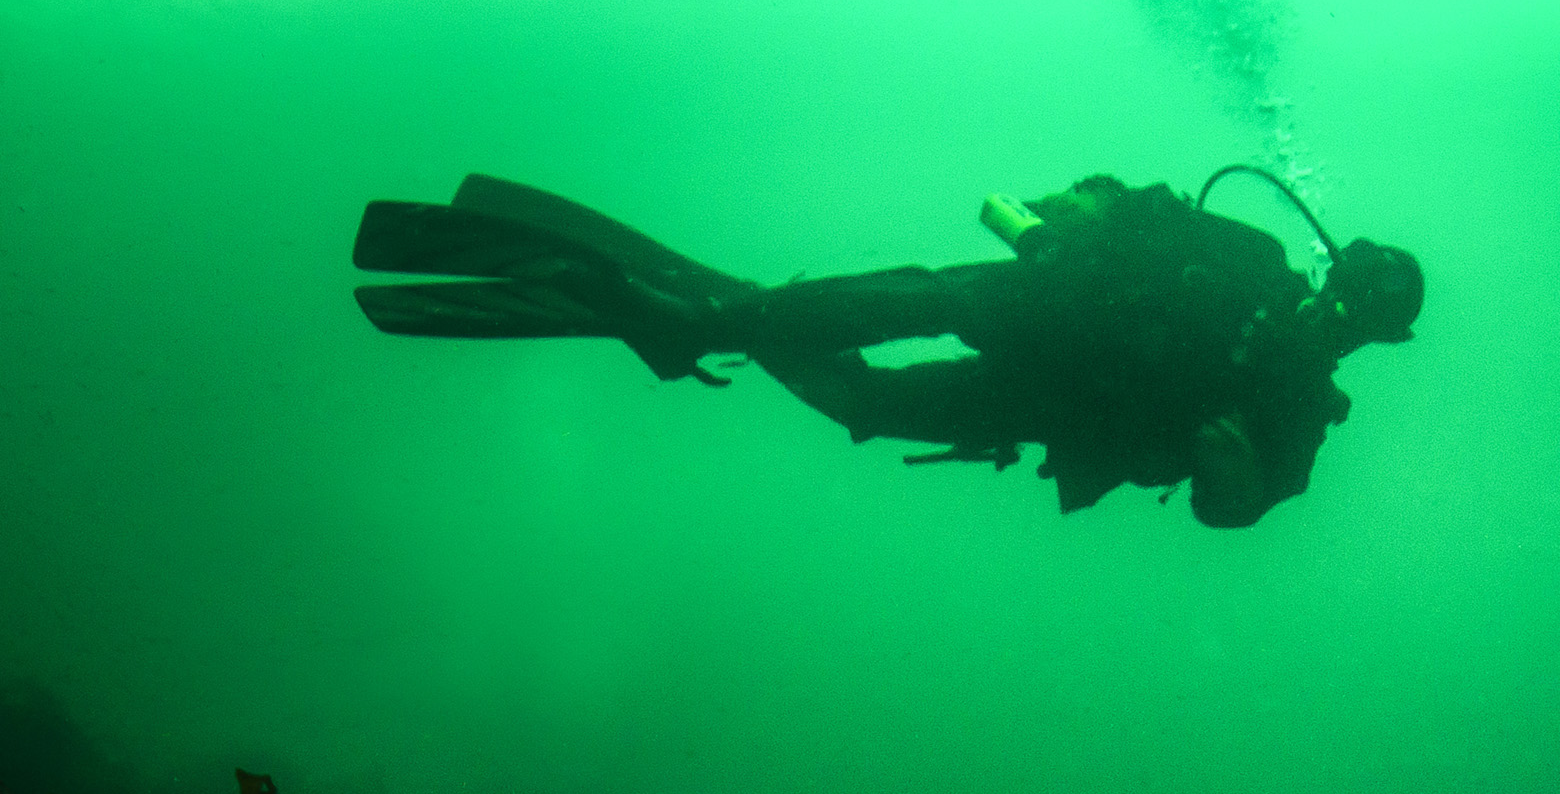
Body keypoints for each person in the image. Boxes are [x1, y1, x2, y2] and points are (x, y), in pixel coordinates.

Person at [351, 169, 1422, 528]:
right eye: (1350, 296)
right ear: (1334, 269)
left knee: (871, 404)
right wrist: (1078, 205)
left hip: (1053, 409)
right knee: (917, 295)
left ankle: (708, 322)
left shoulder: (1296, 416)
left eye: (1366, 323)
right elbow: (1138, 203)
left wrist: (1228, 472)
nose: (1342, 321)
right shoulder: (1251, 249)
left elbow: (1235, 513)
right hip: (1042, 311)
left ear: (1376, 338)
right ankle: (721, 321)